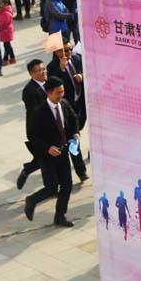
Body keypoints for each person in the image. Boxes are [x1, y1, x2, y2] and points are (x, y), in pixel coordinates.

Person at [23, 76, 79, 228]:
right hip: (47, 156)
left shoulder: (64, 104)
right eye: (58, 93)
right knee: (51, 188)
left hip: (63, 152)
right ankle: (32, 200)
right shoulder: (39, 112)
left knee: (67, 185)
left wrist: (75, 132)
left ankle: (60, 216)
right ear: (49, 93)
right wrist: (47, 148)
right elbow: (33, 136)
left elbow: (73, 118)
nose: (61, 95)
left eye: (62, 91)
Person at [48, 41, 88, 181]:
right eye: (65, 50)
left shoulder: (77, 58)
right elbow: (53, 86)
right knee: (73, 138)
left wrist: (81, 75)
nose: (69, 52)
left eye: (70, 49)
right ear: (57, 52)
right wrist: (62, 70)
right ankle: (81, 171)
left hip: (80, 103)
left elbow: (86, 70)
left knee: (78, 130)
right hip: (65, 108)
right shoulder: (52, 67)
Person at [16, 59, 48, 190]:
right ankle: (49, 186)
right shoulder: (29, 90)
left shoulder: (49, 83)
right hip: (38, 131)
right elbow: (35, 112)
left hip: (50, 128)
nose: (43, 72)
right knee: (45, 159)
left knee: (44, 158)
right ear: (32, 74)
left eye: (44, 69)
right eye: (39, 70)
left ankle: (28, 170)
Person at [0, 0, 16, 65]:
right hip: (5, 31)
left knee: (6, 45)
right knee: (8, 44)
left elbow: (4, 23)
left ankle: (5, 59)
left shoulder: (6, 12)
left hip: (6, 31)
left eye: (1, 3)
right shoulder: (3, 10)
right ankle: (12, 58)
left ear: (6, 4)